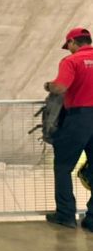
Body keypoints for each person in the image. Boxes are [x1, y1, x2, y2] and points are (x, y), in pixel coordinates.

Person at [44, 27, 93, 231]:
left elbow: (60, 87)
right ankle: (91, 219)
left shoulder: (71, 61)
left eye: (69, 46)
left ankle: (65, 215)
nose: (69, 50)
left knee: (63, 167)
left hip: (78, 119)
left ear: (73, 42)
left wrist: (49, 85)